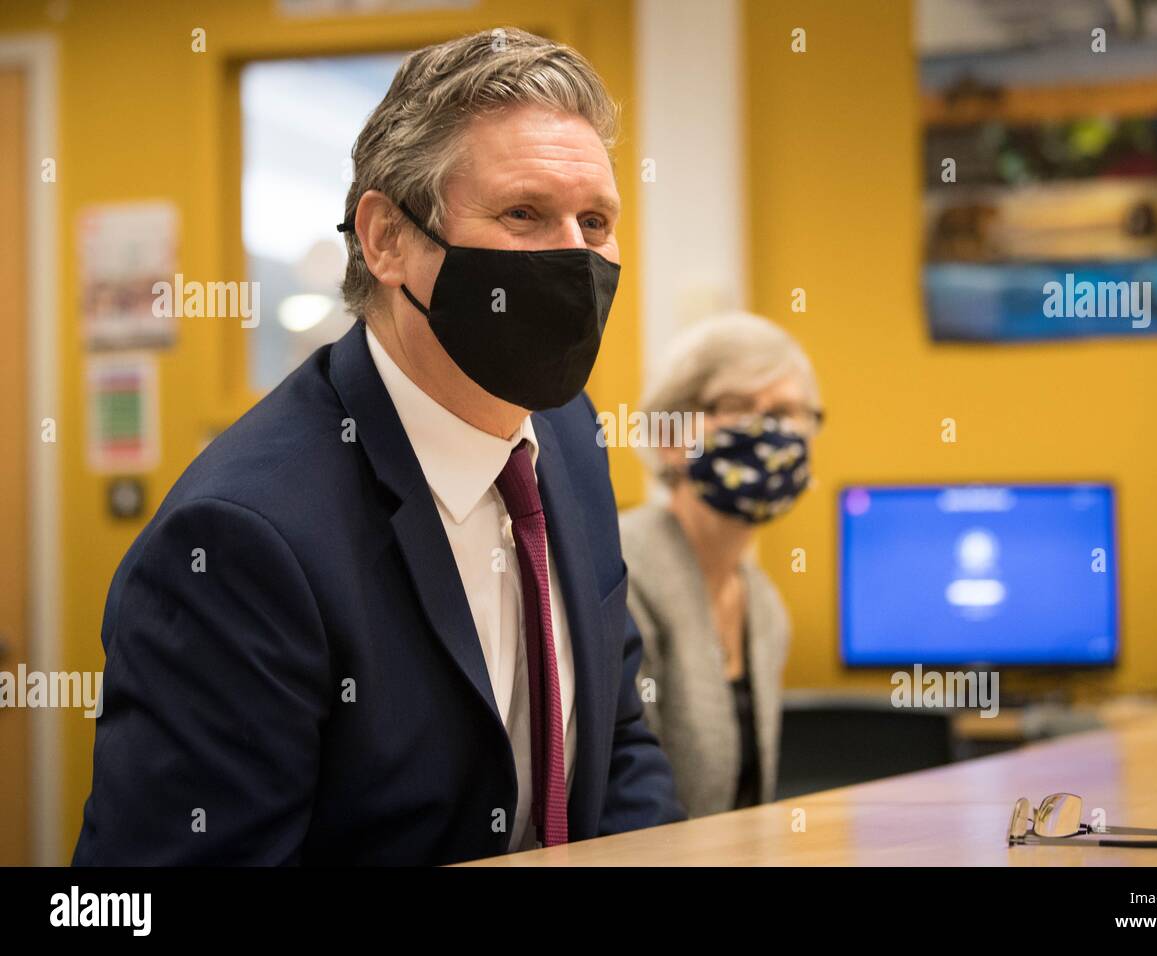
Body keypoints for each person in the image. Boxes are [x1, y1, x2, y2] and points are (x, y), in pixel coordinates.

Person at [73, 27, 685, 866]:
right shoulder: (241, 540)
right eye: (523, 214)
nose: (575, 260)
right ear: (388, 240)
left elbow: (615, 745)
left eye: (595, 221)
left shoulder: (570, 434)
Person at [620, 312, 822, 817]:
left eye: (788, 412)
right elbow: (622, 796)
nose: (769, 431)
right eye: (737, 406)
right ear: (670, 436)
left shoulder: (765, 605)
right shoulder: (621, 573)